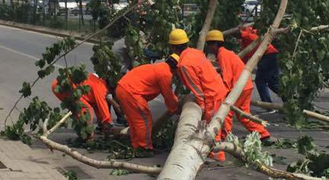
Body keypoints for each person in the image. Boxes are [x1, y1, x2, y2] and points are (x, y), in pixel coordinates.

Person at [165, 28, 229, 160]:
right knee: (219, 121)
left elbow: (197, 88)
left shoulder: (184, 65)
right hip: (218, 88)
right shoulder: (195, 52)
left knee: (211, 125)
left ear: (172, 47)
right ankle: (222, 146)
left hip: (211, 95)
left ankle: (217, 154)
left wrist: (202, 105)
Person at [204, 29, 272, 145]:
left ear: (215, 44)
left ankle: (226, 138)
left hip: (239, 87)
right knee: (243, 114)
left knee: (227, 112)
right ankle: (263, 134)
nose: (209, 48)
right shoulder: (226, 53)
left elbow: (227, 77)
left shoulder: (223, 55)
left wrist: (222, 95)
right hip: (246, 85)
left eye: (209, 44)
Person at [115, 61, 179, 150]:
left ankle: (136, 145)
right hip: (131, 92)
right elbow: (168, 95)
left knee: (134, 121)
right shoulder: (165, 74)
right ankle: (144, 147)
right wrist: (176, 108)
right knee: (144, 120)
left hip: (122, 88)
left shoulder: (159, 67)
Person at [239, 24, 280, 103]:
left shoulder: (249, 36)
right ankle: (290, 100)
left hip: (268, 55)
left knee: (260, 81)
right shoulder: (244, 42)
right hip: (271, 56)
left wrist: (241, 33)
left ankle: (267, 105)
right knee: (273, 83)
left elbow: (249, 35)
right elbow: (244, 57)